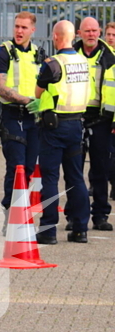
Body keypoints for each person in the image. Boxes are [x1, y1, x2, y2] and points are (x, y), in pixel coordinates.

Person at [31, 20, 90, 244]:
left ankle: (48, 230)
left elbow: (38, 93)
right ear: (74, 37)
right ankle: (80, 228)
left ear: (56, 37)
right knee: (76, 177)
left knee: (50, 178)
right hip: (76, 125)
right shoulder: (83, 62)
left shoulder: (53, 64)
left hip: (53, 128)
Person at [0, 11, 47, 234]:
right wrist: (27, 100)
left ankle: (22, 214)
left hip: (33, 117)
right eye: (17, 26)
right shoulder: (3, 51)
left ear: (33, 30)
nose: (19, 31)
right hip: (12, 115)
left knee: (30, 167)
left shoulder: (39, 53)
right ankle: (10, 216)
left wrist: (41, 105)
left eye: (24, 27)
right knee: (16, 167)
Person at [73, 16, 115, 230]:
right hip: (73, 117)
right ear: (79, 33)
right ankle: (75, 216)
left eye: (94, 30)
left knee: (100, 169)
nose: (91, 34)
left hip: (103, 120)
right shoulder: (69, 56)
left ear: (99, 32)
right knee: (74, 169)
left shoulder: (111, 57)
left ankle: (100, 215)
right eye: (87, 31)